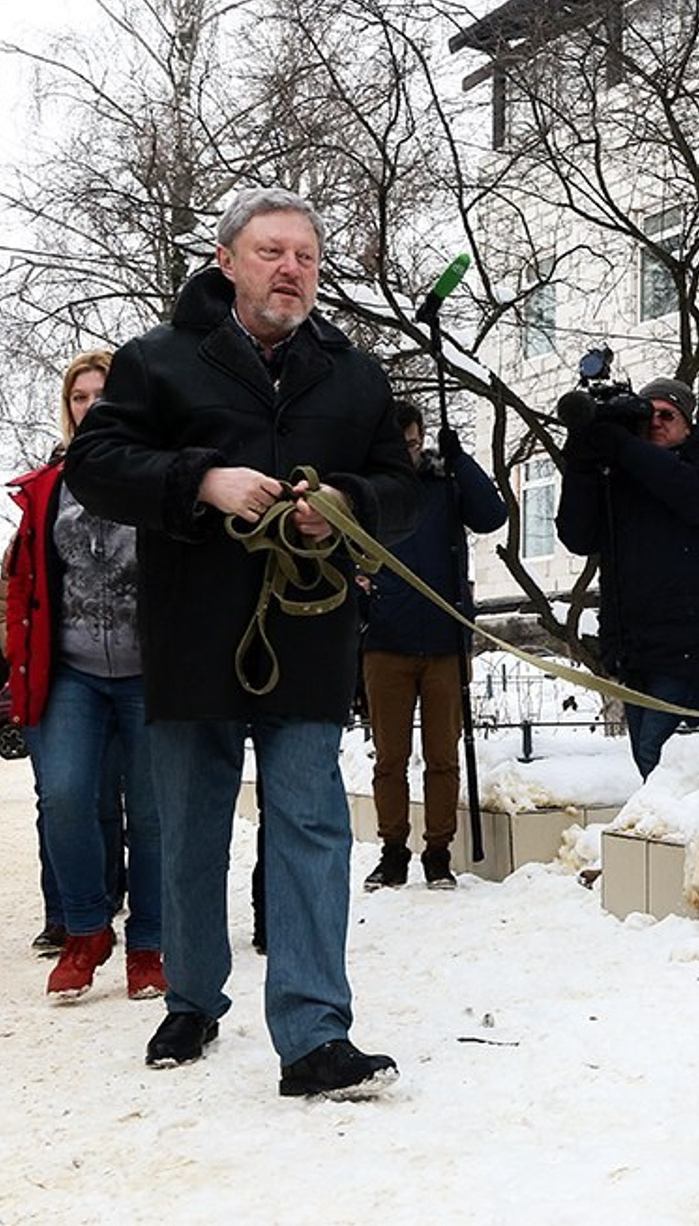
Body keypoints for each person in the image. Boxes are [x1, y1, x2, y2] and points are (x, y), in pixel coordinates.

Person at [64, 187, 423, 1100]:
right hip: (189, 638)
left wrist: (346, 505)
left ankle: (312, 1039)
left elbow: (401, 481)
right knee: (189, 828)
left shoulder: (356, 375)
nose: (292, 269)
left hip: (308, 634)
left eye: (305, 254)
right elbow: (96, 468)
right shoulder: (155, 363)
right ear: (227, 261)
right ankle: (191, 995)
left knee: (310, 822)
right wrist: (203, 481)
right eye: (271, 252)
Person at [5, 349, 163, 999]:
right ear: (67, 410)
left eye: (103, 394)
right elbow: (23, 585)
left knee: (153, 813)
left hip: (149, 671)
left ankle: (150, 944)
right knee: (65, 796)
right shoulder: (46, 488)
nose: (90, 405)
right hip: (71, 670)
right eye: (78, 397)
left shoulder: (155, 477)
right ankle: (86, 928)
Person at [555, 375, 699, 778]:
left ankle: (678, 834)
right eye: (646, 415)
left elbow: (694, 497)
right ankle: (668, 834)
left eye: (667, 415)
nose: (655, 422)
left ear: (688, 423)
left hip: (685, 648)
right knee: (647, 758)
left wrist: (624, 445)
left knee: (663, 759)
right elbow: (577, 535)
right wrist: (583, 462)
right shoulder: (622, 477)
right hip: (634, 647)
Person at [361, 399, 507, 892]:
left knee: (443, 755)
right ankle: (393, 850)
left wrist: (460, 460)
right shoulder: (370, 489)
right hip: (385, 639)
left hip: (445, 640)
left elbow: (491, 516)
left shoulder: (445, 485)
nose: (410, 453)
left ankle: (438, 852)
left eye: (415, 442)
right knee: (390, 756)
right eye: (400, 444)